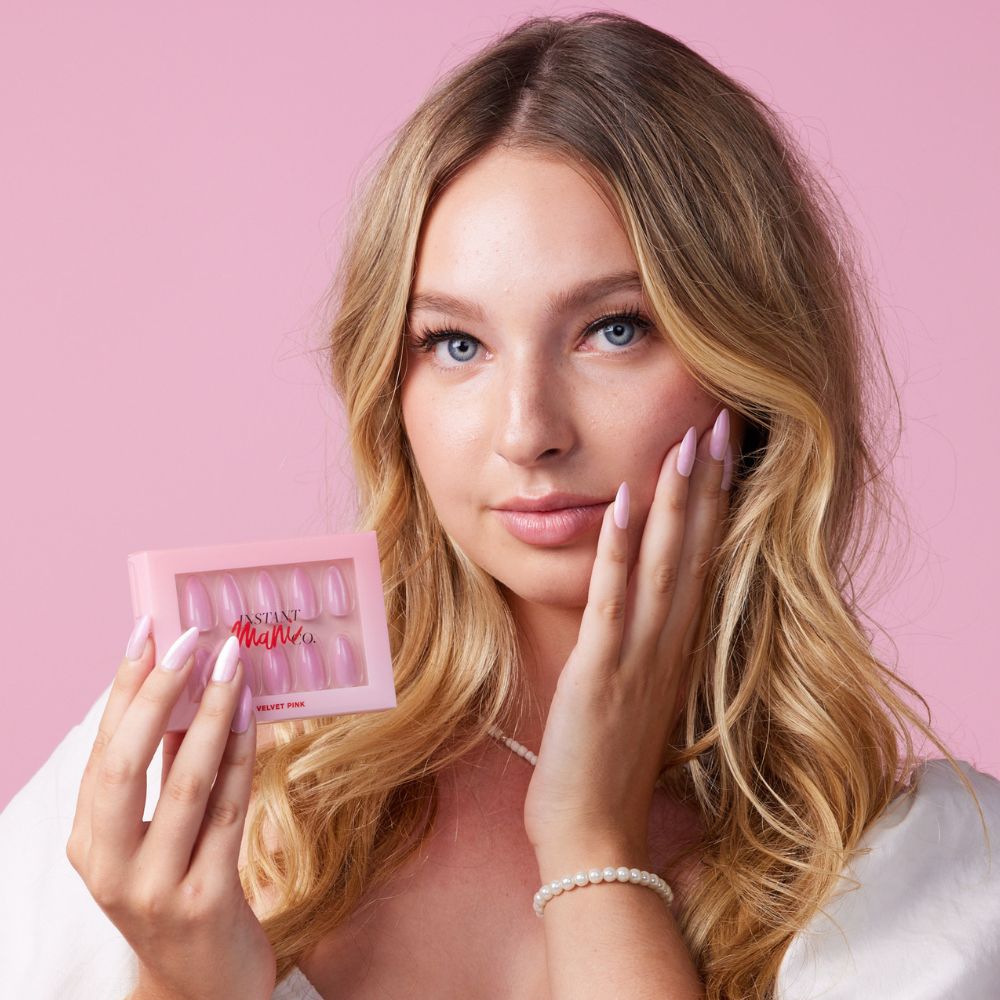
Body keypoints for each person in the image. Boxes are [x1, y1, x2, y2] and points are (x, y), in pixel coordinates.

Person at [2, 11, 998, 999]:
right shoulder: (184, 780)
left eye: (613, 329)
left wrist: (590, 842)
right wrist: (186, 987)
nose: (527, 431)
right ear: (393, 387)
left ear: (750, 369)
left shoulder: (927, 878)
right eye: (455, 344)